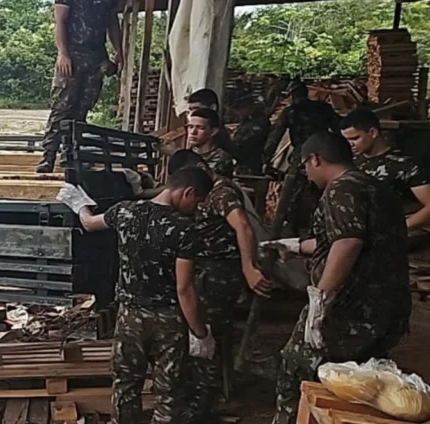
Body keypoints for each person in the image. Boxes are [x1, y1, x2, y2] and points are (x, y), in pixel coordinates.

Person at [265, 132, 411, 424]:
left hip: (349, 308)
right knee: (358, 385)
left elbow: (348, 243)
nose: (307, 175)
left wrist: (320, 302)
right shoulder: (376, 187)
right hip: (386, 308)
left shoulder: (340, 189)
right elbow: (337, 240)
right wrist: (293, 245)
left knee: (299, 373)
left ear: (315, 159)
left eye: (306, 166)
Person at [57, 168, 216, 424]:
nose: (196, 208)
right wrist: (200, 333)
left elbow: (89, 223)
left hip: (129, 316)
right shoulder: (185, 229)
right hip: (168, 320)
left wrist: (79, 203)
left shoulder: (125, 211)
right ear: (187, 192)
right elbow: (184, 289)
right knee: (168, 389)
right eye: (197, 201)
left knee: (126, 384)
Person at [167, 150, 273, 423]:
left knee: (206, 335)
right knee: (201, 334)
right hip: (206, 271)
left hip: (217, 277)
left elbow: (243, 227)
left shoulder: (222, 192)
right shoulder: (208, 190)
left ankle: (201, 406)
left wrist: (249, 268)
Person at [37, 0, 124, 173]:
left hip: (96, 58)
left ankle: (70, 155)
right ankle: (48, 156)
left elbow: (112, 23)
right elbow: (60, 23)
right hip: (72, 56)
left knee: (82, 109)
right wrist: (63, 54)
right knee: (61, 107)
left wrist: (119, 51)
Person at [263, 81, 339, 237]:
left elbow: (275, 137)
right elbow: (339, 130)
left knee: (292, 193)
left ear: (292, 95)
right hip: (324, 151)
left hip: (302, 154)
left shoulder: (290, 112)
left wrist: (266, 159)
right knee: (325, 190)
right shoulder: (323, 108)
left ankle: (293, 228)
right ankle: (322, 226)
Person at [339, 108, 430, 236]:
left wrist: (401, 227)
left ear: (373, 132)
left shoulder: (404, 165)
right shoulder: (348, 161)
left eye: (355, 138)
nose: (350, 144)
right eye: (346, 140)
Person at [187, 108, 235, 178]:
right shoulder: (189, 153)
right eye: (190, 127)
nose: (193, 132)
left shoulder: (221, 157)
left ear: (213, 131)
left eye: (200, 128)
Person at [232, 97, 272, 175]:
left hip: (253, 159)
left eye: (240, 110)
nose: (238, 113)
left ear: (246, 108)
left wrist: (236, 144)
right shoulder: (245, 120)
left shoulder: (260, 120)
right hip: (241, 160)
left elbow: (252, 138)